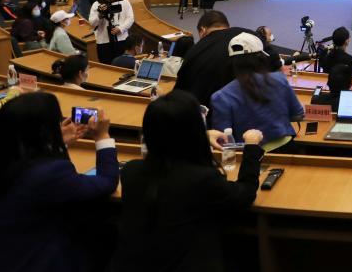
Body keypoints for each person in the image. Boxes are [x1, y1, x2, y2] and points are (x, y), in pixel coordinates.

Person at [111, 90, 265, 272]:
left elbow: (168, 143)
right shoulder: (202, 179)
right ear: (195, 131)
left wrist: (203, 136)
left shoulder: (131, 171)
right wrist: (252, 147)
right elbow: (246, 192)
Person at [0, 92, 117, 272]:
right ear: (45, 130)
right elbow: (107, 182)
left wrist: (54, 142)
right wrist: (102, 136)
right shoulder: (51, 173)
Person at [210, 33, 303, 152]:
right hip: (287, 150)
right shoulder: (280, 79)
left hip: (248, 156)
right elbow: (297, 114)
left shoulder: (221, 96)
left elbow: (222, 140)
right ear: (262, 58)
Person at [175, 10, 278, 109]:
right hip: (258, 103)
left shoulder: (195, 51)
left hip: (211, 111)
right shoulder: (249, 35)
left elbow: (181, 90)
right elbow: (275, 62)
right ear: (227, 26)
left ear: (203, 30)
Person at [88, 0, 134, 64]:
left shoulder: (124, 2)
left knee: (122, 65)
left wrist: (120, 28)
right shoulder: (97, 4)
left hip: (122, 39)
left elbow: (130, 19)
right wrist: (100, 15)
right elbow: (92, 23)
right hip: (104, 41)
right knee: (107, 65)